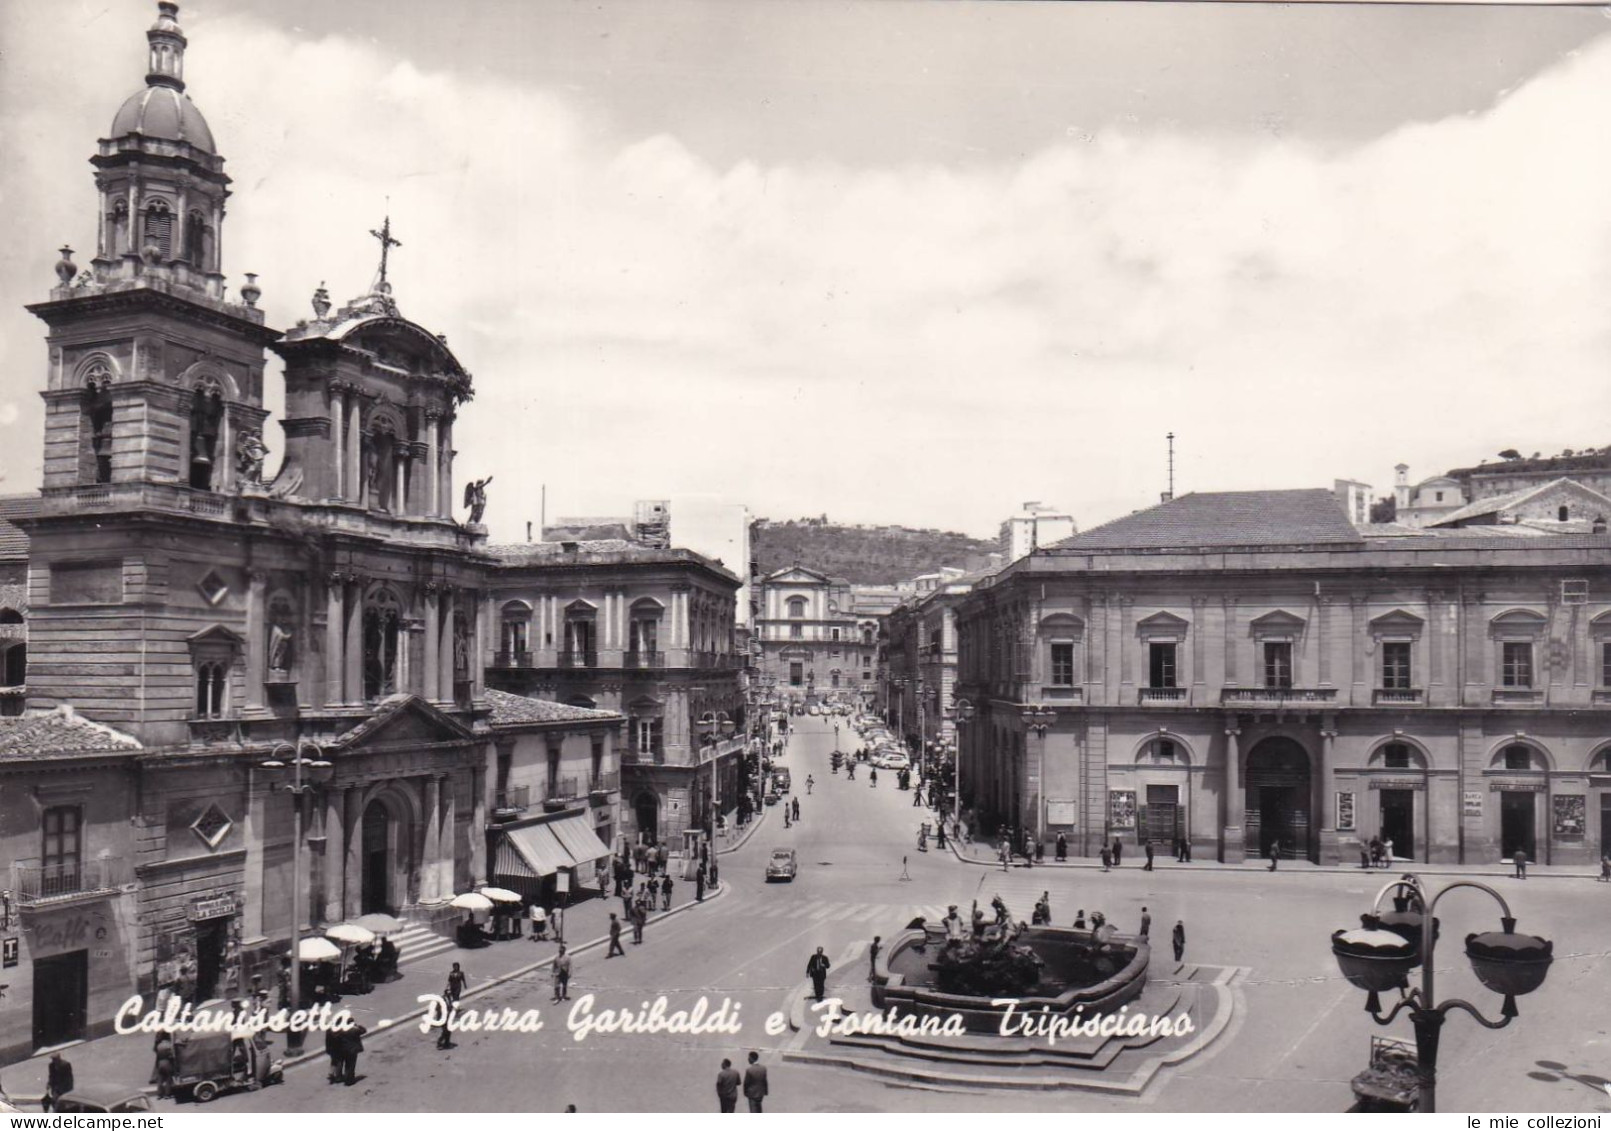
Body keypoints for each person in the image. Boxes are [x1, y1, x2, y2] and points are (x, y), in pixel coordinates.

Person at [153, 1033, 176, 1100]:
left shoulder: (159, 1045)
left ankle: (159, 1095)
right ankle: (167, 1094)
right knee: (168, 1079)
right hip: (167, 1062)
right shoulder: (168, 1045)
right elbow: (172, 1055)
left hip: (160, 1063)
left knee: (160, 1080)